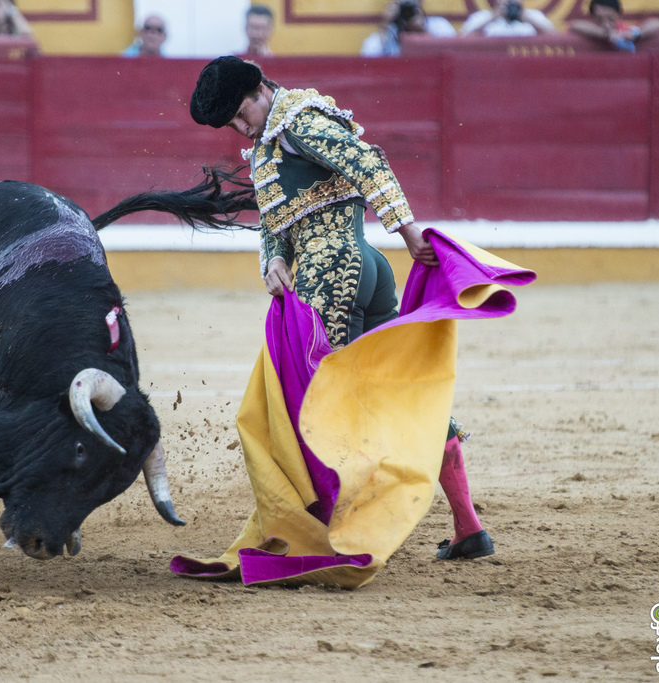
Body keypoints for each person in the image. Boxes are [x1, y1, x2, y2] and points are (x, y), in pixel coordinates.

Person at [187, 56, 495, 564]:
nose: (243, 127)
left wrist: (408, 228)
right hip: (361, 268)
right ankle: (467, 526)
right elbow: (274, 223)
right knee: (394, 389)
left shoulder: (299, 120)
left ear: (261, 88)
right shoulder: (273, 141)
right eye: (233, 125)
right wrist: (274, 259)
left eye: (243, 113)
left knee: (318, 395)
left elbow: (368, 162)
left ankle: (342, 531)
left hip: (332, 271)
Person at [361, 0, 456, 57]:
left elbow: (456, 54)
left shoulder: (439, 25)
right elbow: (368, 60)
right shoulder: (388, 34)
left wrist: (423, 31)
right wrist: (385, 26)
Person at [569, 0, 659, 51]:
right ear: (593, 17)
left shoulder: (626, 30)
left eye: (610, 19)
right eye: (600, 19)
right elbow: (575, 25)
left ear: (619, 14)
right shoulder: (591, 30)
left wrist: (635, 34)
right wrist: (607, 34)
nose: (606, 24)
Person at [460, 0, 558, 36]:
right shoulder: (482, 17)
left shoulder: (535, 16)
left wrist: (529, 21)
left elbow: (557, 39)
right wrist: (492, 18)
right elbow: (461, 41)